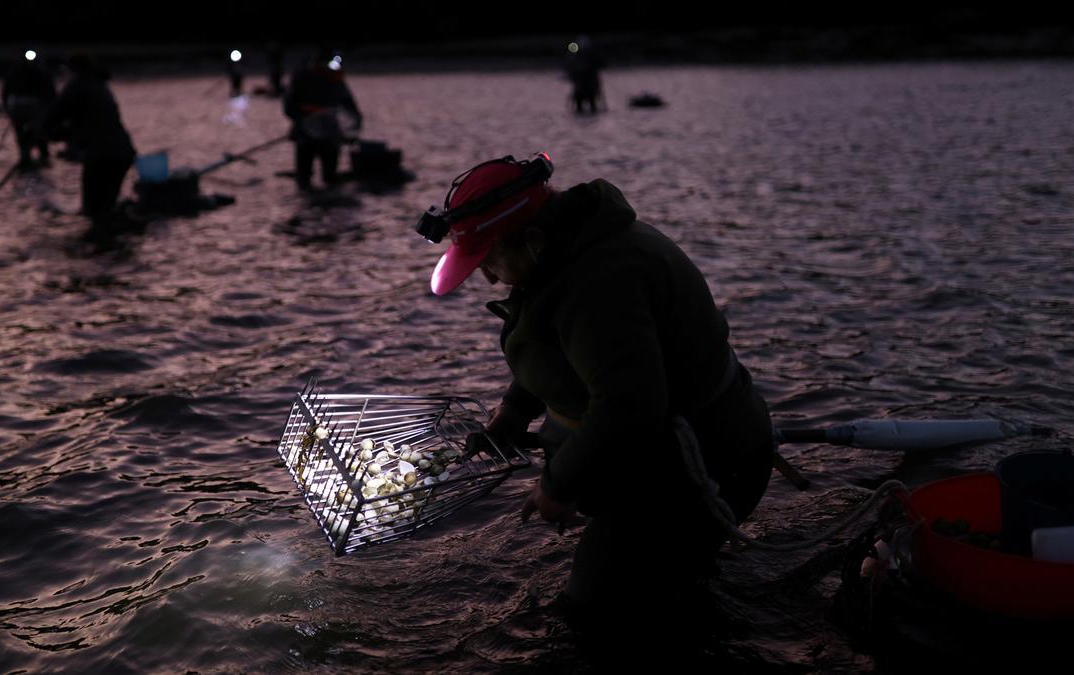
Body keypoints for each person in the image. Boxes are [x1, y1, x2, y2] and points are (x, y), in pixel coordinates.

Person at [414, 153, 775, 659]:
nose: (491, 280)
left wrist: (558, 487)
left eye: (491, 261)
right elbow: (561, 356)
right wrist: (515, 412)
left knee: (590, 613)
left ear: (533, 241)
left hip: (702, 468)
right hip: (653, 456)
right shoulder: (563, 256)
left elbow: (628, 404)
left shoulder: (600, 282)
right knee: (659, 593)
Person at [43, 53, 137, 241]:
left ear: (73, 70)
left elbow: (54, 117)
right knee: (105, 204)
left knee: (93, 207)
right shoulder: (99, 84)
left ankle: (101, 242)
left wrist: (45, 131)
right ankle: (111, 238)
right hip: (122, 153)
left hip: (102, 155)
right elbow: (85, 121)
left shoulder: (78, 86)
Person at [283, 47, 362, 191]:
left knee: (330, 177)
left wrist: (355, 127)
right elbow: (289, 106)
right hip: (305, 135)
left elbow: (350, 106)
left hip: (330, 135)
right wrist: (302, 120)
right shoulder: (302, 77)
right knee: (304, 177)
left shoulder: (336, 78)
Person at [1, 50, 57, 170]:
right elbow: (6, 91)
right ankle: (28, 156)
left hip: (31, 106)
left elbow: (50, 91)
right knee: (29, 131)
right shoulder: (16, 72)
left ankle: (38, 155)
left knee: (37, 131)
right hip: (23, 107)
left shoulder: (40, 72)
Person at [564, 35, 604, 115]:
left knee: (591, 102)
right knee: (581, 102)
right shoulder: (575, 57)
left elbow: (599, 66)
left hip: (589, 85)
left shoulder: (592, 57)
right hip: (581, 85)